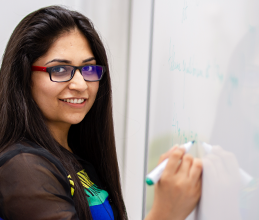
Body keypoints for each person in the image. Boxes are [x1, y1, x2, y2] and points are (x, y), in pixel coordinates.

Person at [0, 5, 202, 220]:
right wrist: (165, 213)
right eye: (59, 69)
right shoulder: (23, 166)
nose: (80, 84)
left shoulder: (76, 156)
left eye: (88, 68)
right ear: (24, 77)